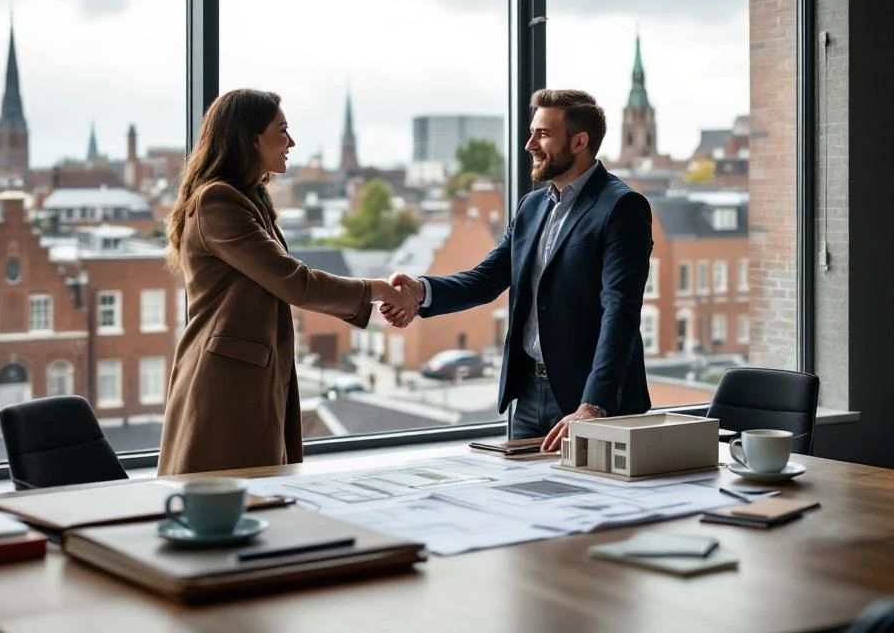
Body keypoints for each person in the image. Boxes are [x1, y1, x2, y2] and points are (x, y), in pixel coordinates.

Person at [159, 89, 417, 475]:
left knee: (256, 498)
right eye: (282, 131)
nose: (291, 142)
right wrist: (377, 290)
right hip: (226, 385)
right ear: (251, 138)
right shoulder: (219, 202)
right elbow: (295, 282)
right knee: (229, 501)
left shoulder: (247, 198)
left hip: (247, 377)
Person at [382, 89, 653, 452]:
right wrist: (421, 292)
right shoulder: (531, 207)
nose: (529, 145)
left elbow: (620, 311)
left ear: (579, 142)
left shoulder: (622, 207)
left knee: (589, 505)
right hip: (528, 397)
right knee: (524, 502)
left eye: (542, 134)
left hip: (587, 403)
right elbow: (486, 279)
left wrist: (593, 406)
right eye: (531, 133)